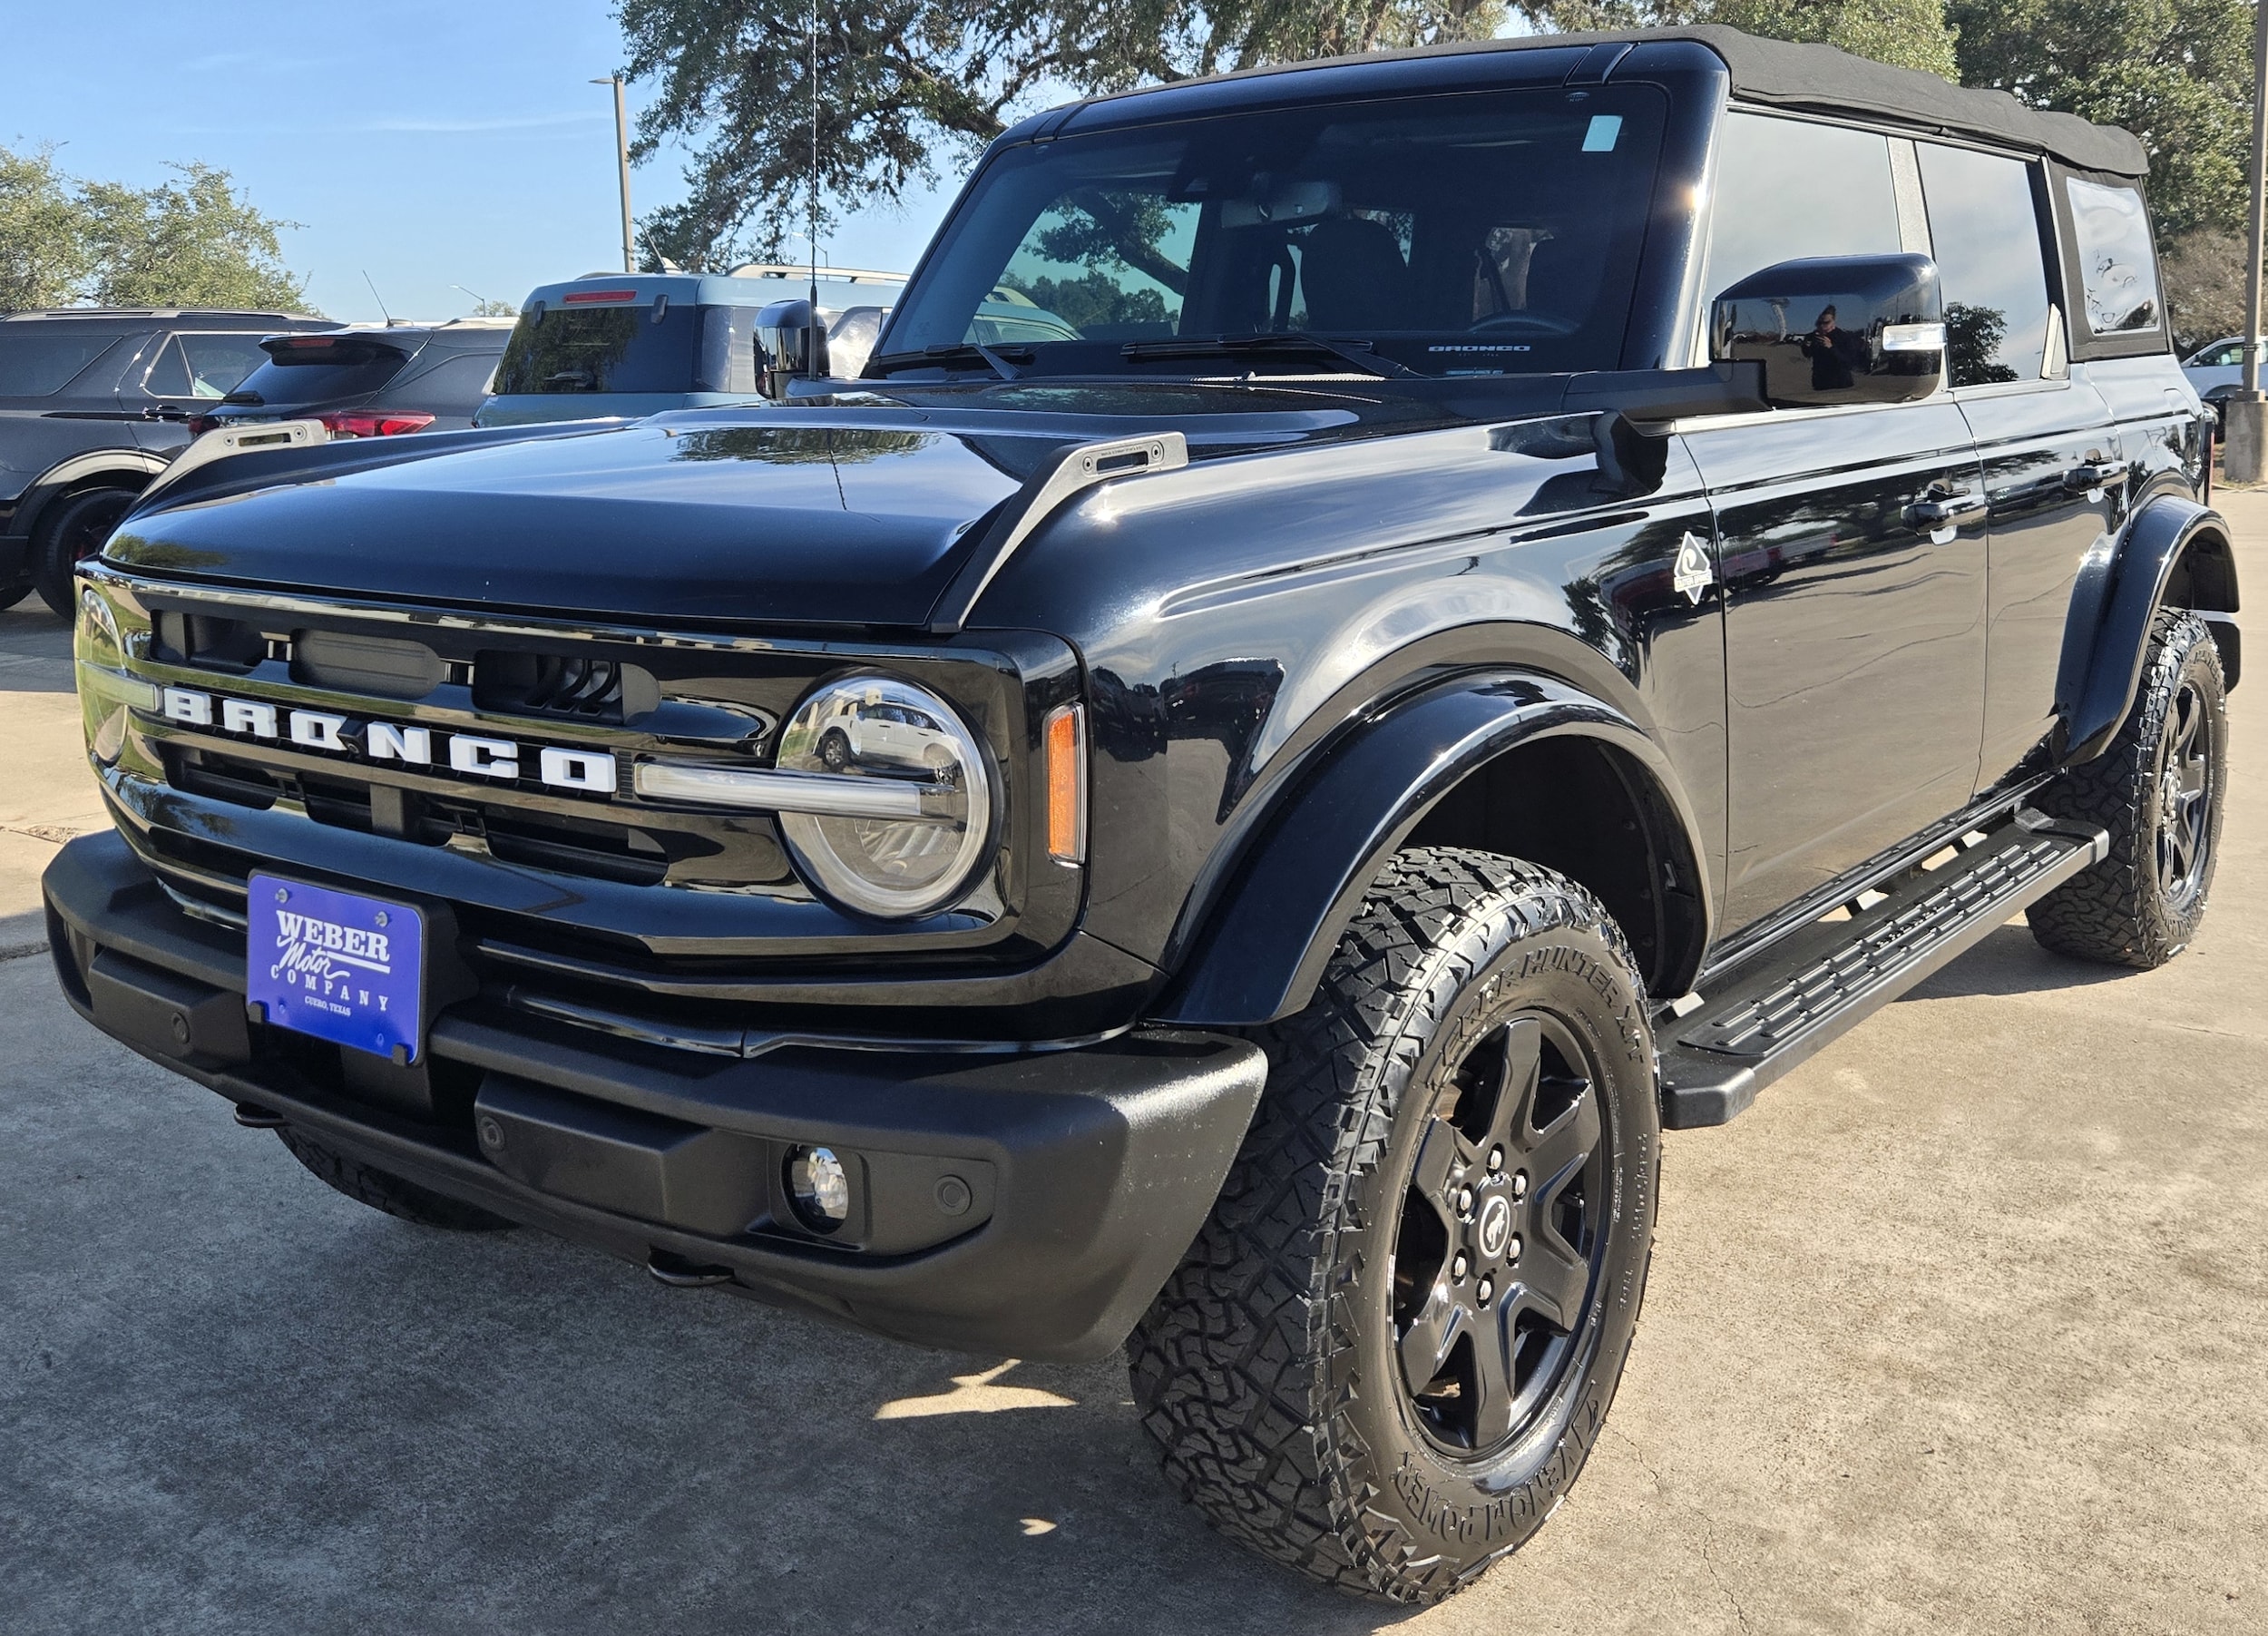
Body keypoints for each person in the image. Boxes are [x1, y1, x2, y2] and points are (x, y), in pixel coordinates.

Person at [1797, 304, 1870, 391]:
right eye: (1819, 323)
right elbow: (1808, 355)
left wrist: (1831, 347)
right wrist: (1806, 346)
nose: (1822, 326)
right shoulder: (1812, 337)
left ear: (1833, 321)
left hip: (1840, 382)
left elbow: (1849, 362)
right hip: (1821, 381)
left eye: (1826, 323)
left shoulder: (1843, 337)